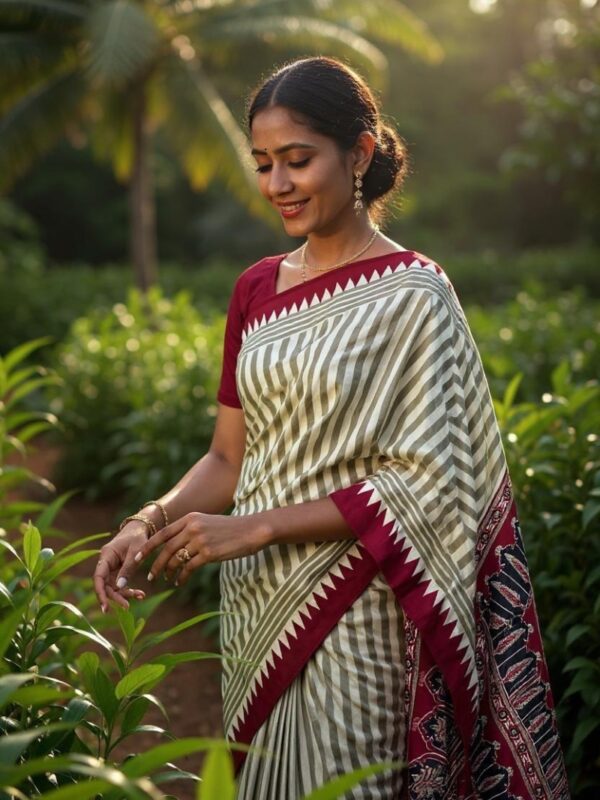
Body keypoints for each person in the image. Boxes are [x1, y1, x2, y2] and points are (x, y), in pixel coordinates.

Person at [93, 56, 570, 799]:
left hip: (358, 606)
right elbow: (227, 455)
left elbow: (431, 481)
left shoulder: (415, 294)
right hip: (256, 610)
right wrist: (147, 520)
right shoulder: (255, 288)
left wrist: (258, 528)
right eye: (262, 165)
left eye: (297, 160)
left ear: (360, 153)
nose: (278, 184)